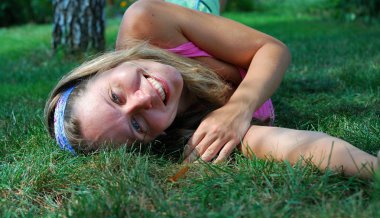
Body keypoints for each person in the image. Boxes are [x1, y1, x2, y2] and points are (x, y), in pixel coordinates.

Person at [45, 0, 378, 178]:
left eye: (116, 95)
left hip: (186, 10)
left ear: (106, 66)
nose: (145, 98)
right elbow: (292, 146)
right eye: (136, 124)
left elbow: (272, 49)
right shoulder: (195, 133)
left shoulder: (146, 21)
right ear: (152, 140)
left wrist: (239, 108)